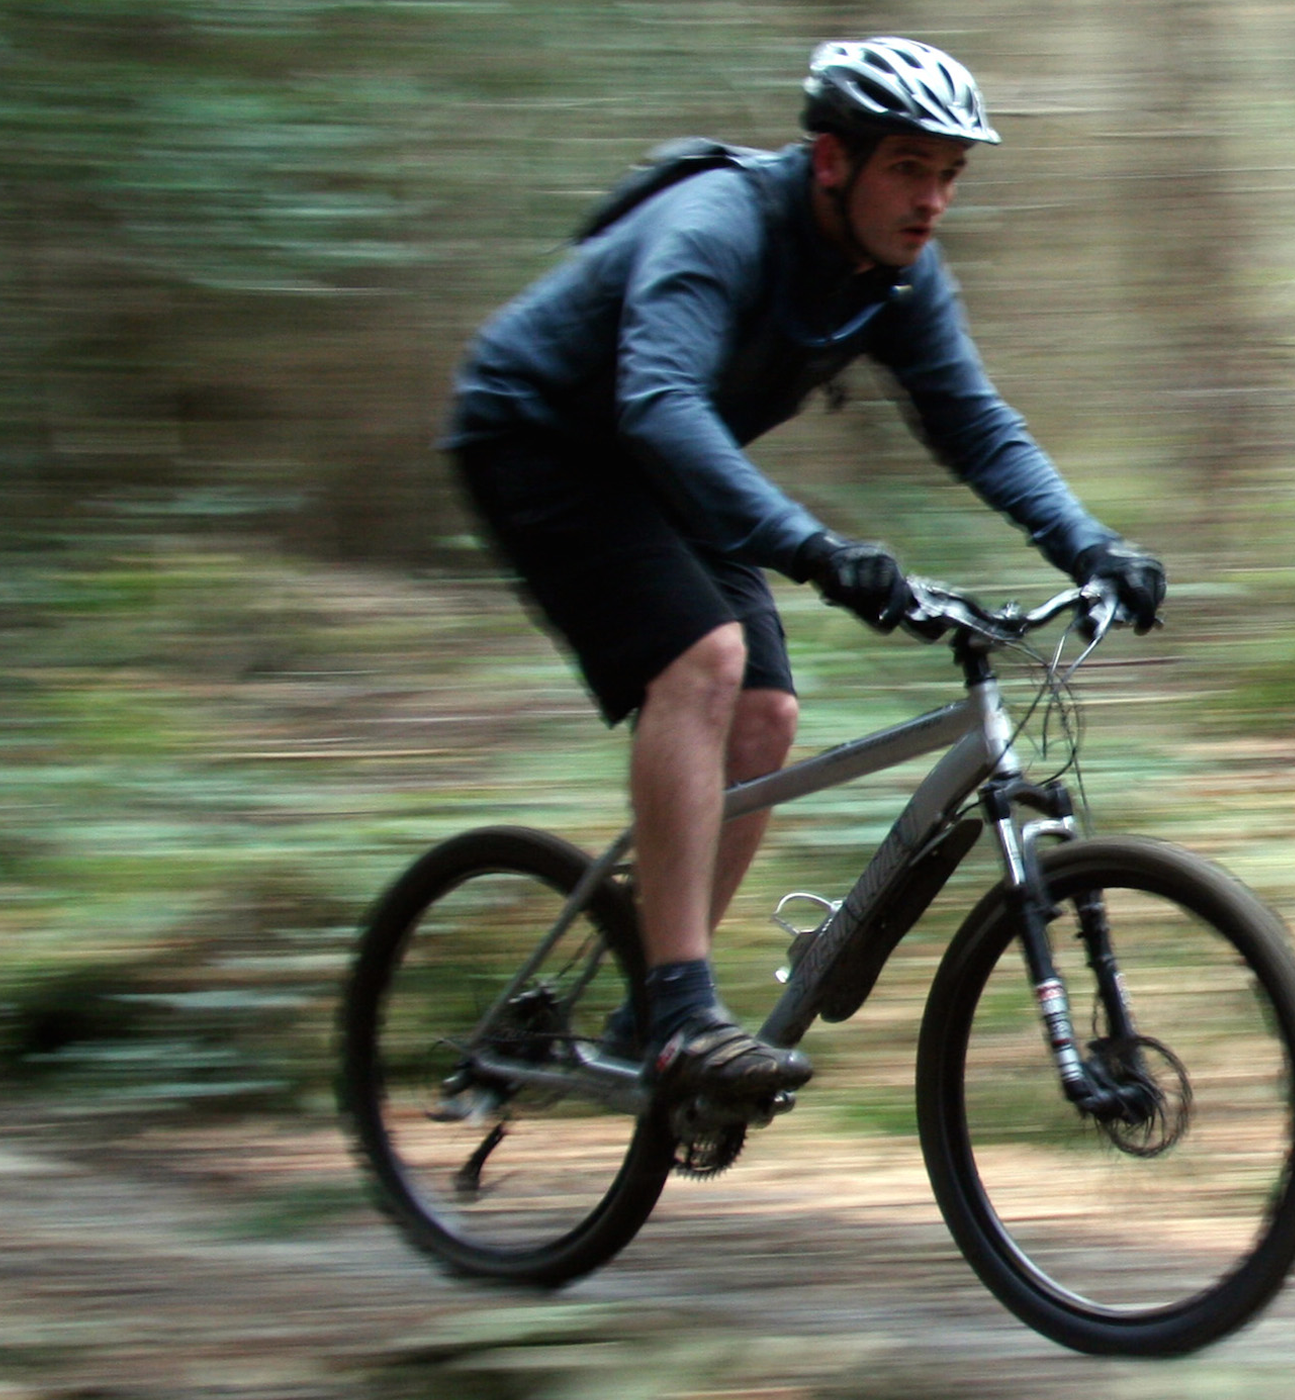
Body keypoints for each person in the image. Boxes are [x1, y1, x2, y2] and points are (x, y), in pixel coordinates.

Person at [441, 37, 1165, 1107]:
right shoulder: (719, 226)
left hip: (659, 463)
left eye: (950, 175)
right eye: (910, 168)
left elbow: (975, 426)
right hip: (539, 438)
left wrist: (1088, 542)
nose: (932, 200)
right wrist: (821, 553)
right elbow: (660, 405)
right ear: (833, 160)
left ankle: (652, 1006)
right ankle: (686, 1011)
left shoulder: (900, 278)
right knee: (703, 659)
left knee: (767, 712)